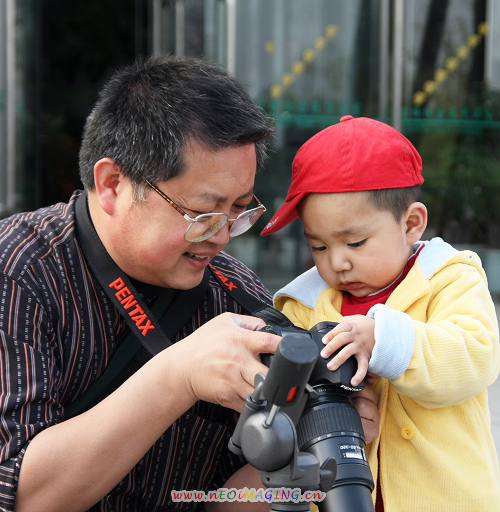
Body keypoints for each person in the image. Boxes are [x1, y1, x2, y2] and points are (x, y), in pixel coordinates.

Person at [0, 57, 378, 512]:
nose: (221, 236)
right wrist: (179, 376)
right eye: (203, 214)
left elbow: (214, 506)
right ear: (112, 184)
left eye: (240, 210)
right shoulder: (20, 272)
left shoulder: (237, 296)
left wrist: (304, 452)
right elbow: (23, 497)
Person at [261, 115, 500, 511]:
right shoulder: (303, 305)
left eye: (355, 242)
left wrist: (385, 342)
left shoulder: (450, 280)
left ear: (411, 224)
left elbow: (475, 356)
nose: (337, 262)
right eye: (318, 246)